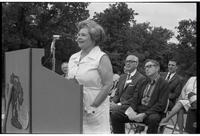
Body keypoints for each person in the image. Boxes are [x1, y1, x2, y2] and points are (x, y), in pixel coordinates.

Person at [68, 19, 113, 133]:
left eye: (83, 35)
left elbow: (108, 85)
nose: (78, 37)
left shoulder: (101, 57)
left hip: (95, 110)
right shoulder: (73, 57)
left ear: (94, 38)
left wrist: (93, 106)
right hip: (75, 109)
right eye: (78, 35)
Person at [111, 59, 169, 134]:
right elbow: (135, 98)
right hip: (139, 110)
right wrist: (131, 110)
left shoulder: (164, 83)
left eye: (149, 66)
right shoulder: (143, 81)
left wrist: (145, 114)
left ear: (157, 68)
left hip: (152, 112)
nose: (146, 69)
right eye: (145, 67)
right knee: (116, 115)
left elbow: (161, 105)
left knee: (153, 119)